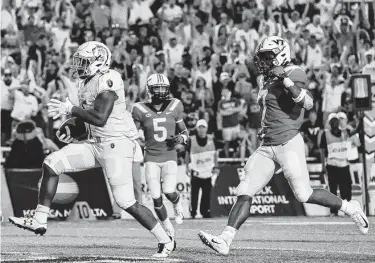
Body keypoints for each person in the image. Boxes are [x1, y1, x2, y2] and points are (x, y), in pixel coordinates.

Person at [198, 36, 369, 256]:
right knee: (245, 190)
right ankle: (225, 239)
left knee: (304, 194)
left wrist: (286, 81)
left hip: (288, 142)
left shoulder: (294, 71)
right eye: (262, 58)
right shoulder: (264, 80)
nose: (263, 62)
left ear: (280, 55)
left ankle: (350, 207)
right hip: (266, 144)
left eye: (267, 57)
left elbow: (307, 103)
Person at [8, 41, 175, 258]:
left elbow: (100, 118)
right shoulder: (85, 82)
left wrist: (71, 110)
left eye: (84, 61)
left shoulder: (109, 78)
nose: (79, 65)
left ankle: (165, 239)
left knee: (125, 201)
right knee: (52, 163)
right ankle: (40, 219)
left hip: (116, 146)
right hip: (96, 143)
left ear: (99, 61)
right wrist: (73, 127)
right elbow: (89, 120)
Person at [132, 73, 189, 240]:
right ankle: (167, 227)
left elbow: (185, 132)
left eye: (163, 88)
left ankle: (177, 202)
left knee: (169, 191)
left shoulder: (175, 105)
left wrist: (181, 139)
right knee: (156, 198)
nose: (161, 91)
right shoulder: (139, 108)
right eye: (157, 88)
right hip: (150, 156)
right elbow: (132, 133)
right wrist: (137, 140)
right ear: (150, 90)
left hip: (169, 154)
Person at [185, 119, 219, 219]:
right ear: (197, 128)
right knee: (194, 193)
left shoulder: (211, 139)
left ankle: (205, 212)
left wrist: (216, 166)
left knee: (206, 194)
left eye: (203, 127)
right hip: (196, 170)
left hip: (208, 170)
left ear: (206, 128)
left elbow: (215, 154)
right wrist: (186, 167)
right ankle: (193, 212)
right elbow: (187, 154)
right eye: (200, 127)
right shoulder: (191, 139)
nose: (201, 129)